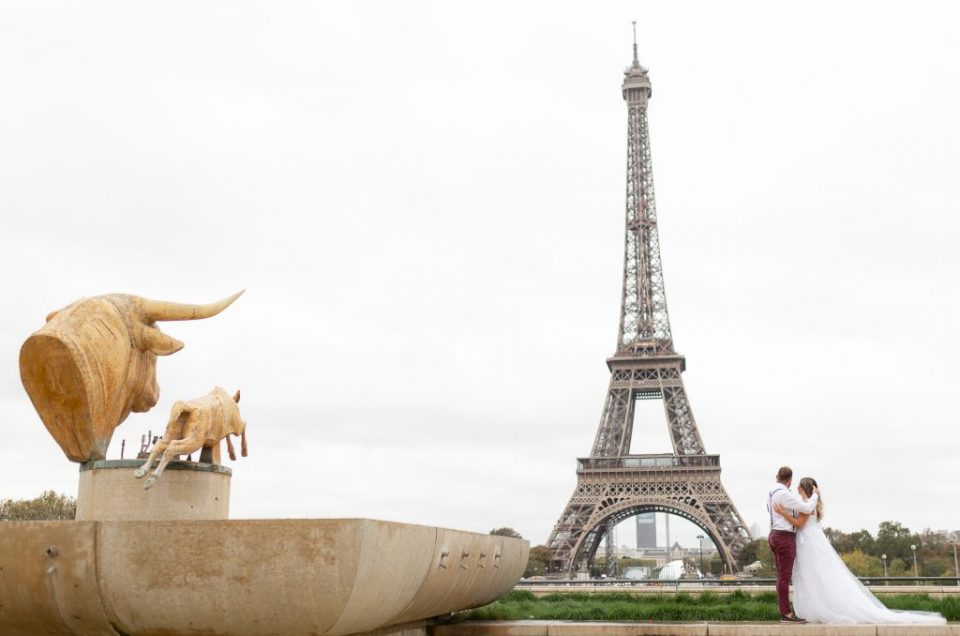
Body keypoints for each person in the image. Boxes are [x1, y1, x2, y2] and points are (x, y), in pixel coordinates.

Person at [774, 477, 946, 625]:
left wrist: (782, 512)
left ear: (801, 488)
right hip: (812, 543)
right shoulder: (812, 504)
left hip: (807, 544)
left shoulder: (806, 505)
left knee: (810, 577)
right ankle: (820, 607)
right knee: (816, 577)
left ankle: (815, 609)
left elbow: (799, 524)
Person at [767, 466, 820, 623]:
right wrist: (815, 495)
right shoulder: (785, 494)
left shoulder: (771, 492)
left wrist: (784, 514)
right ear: (790, 480)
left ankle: (785, 612)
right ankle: (786, 614)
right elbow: (807, 508)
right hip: (784, 537)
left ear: (777, 476)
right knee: (784, 577)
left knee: (781, 577)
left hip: (774, 534)